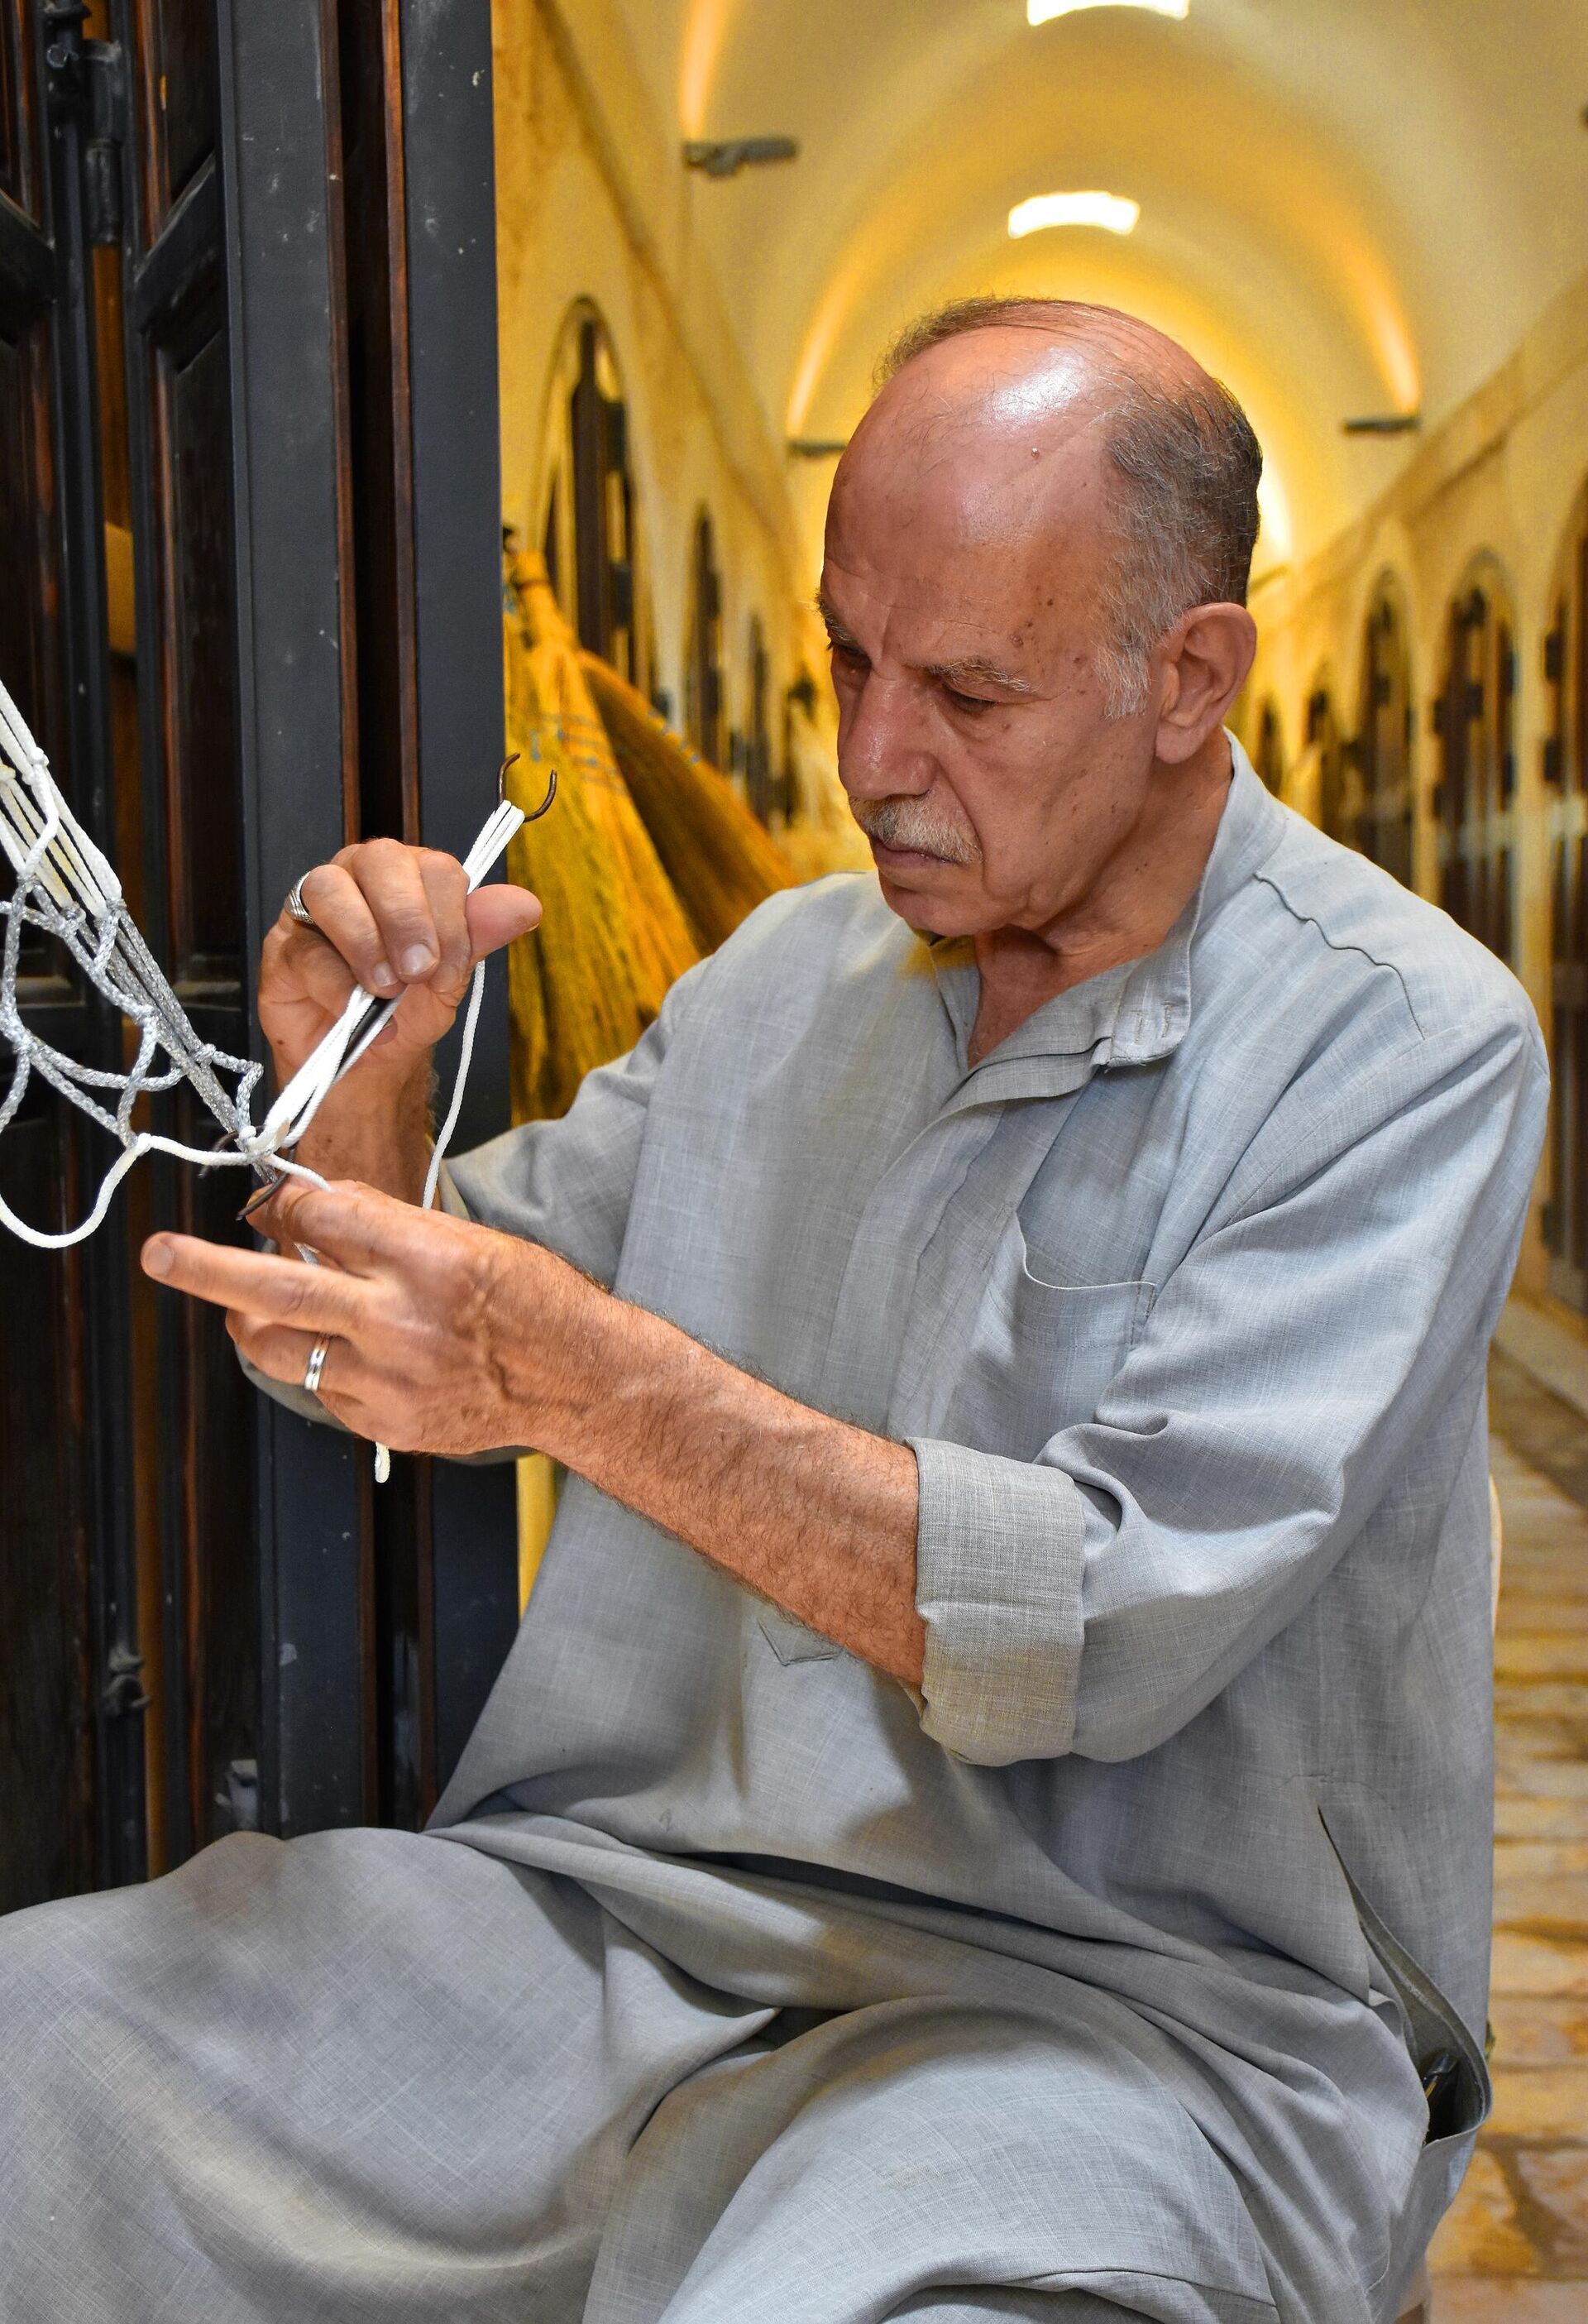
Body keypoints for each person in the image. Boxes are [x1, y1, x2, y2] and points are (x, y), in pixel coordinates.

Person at [0, 300, 1547, 2324]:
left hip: (1134, 2025)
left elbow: (1087, 1628)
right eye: (845, 658)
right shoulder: (780, 979)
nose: (870, 758)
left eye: (970, 694)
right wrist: (354, 1095)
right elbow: (379, 1324)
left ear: (1192, 678)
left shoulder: (1407, 1045)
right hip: (635, 1924)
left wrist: (560, 1367)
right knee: (47, 2044)